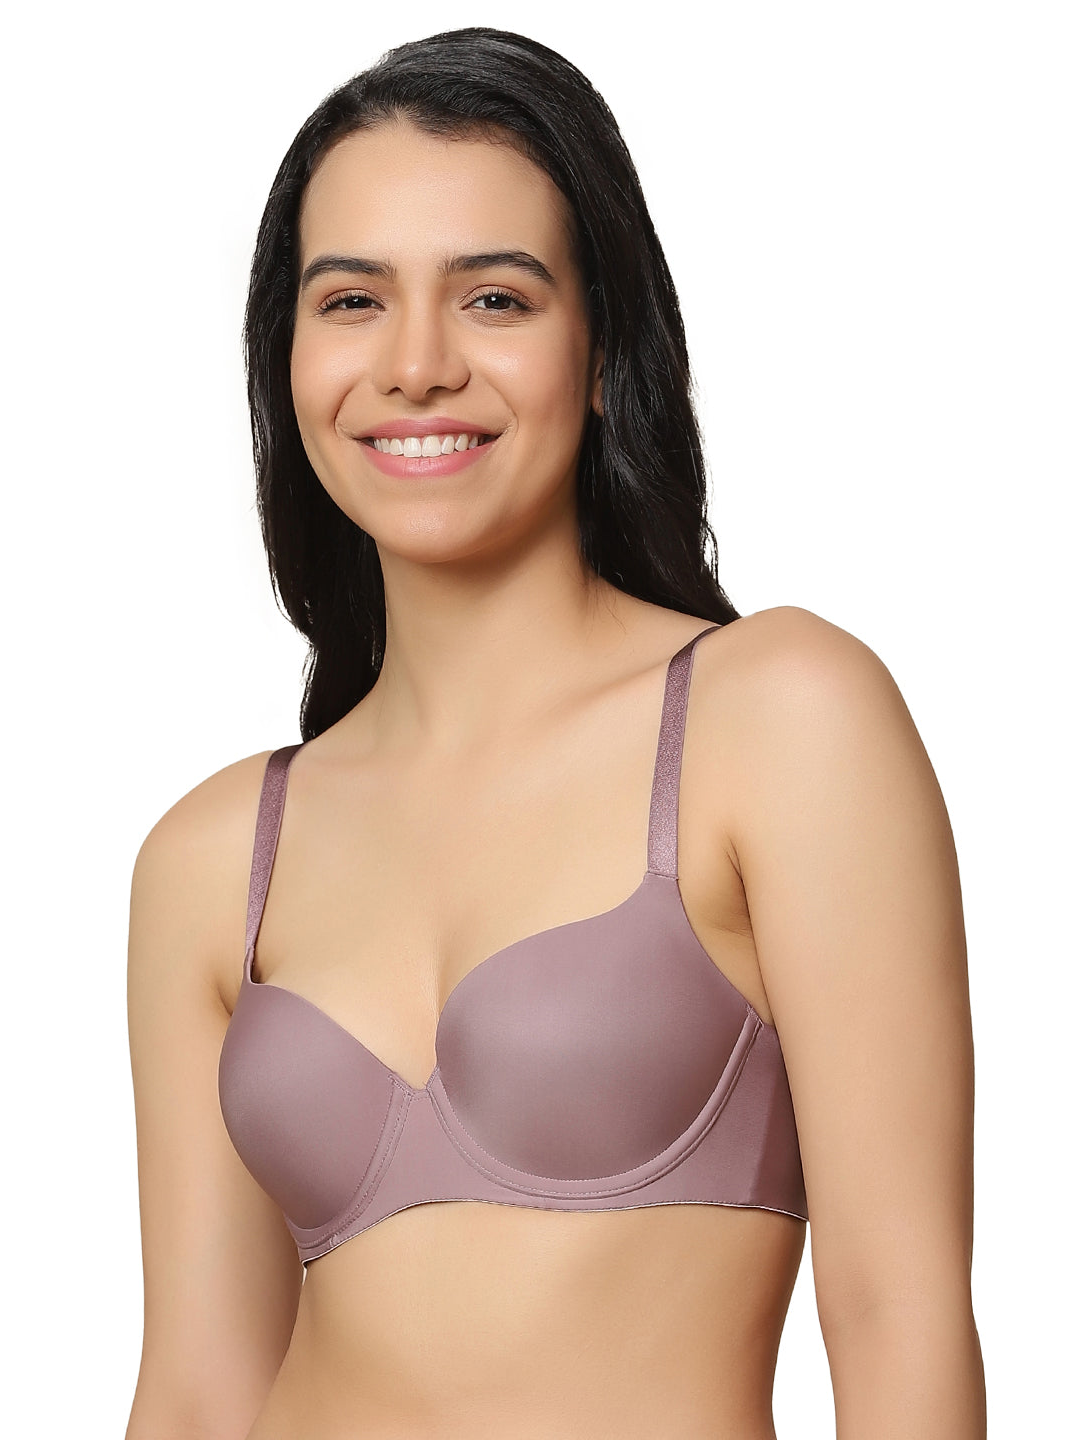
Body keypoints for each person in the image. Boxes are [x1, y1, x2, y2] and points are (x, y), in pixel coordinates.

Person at [124, 26, 985, 1440]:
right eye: (352, 301)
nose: (415, 365)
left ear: (601, 352)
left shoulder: (778, 720)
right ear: (287, 359)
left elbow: (900, 1317)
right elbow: (196, 1391)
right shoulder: (212, 859)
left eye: (495, 298)